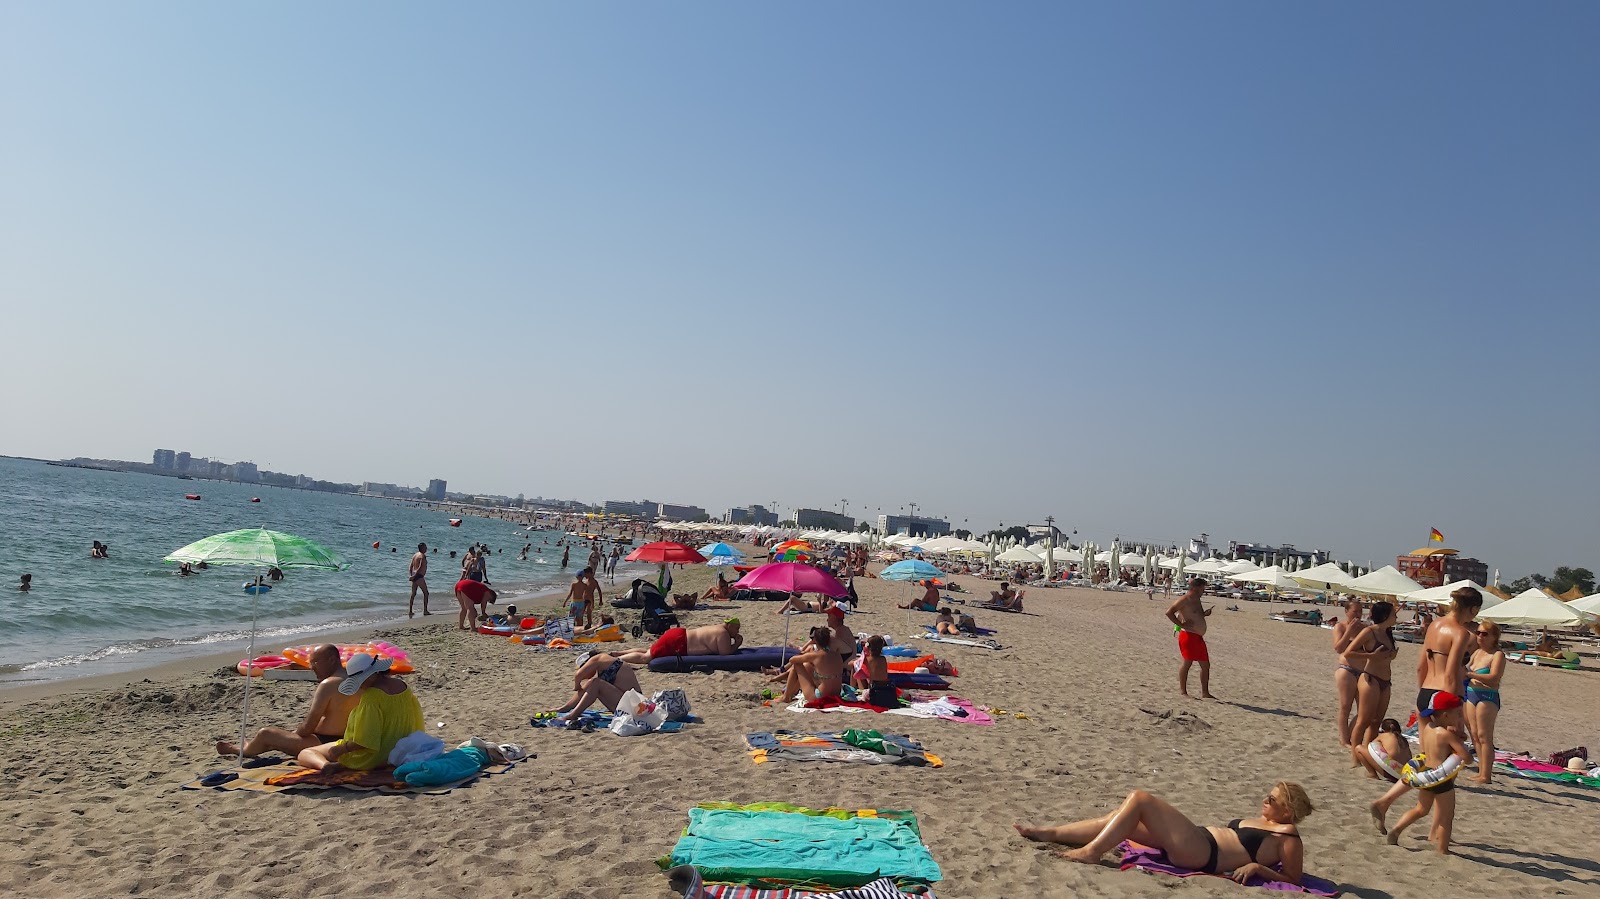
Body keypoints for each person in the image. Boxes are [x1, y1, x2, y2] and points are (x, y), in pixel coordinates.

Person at [1014, 781, 1315, 885]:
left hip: (1203, 854)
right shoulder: (1268, 823)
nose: (1265, 800)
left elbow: (1294, 879)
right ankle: (1050, 833)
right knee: (1120, 817)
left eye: (1272, 799)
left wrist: (1257, 866)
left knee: (1140, 799)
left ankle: (1092, 852)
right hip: (1199, 840)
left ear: (1287, 811)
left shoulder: (1286, 836)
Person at [215, 645, 356, 758]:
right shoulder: (357, 678)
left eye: (315, 662)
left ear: (332, 660)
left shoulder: (328, 684)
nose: (311, 667)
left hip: (326, 742)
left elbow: (308, 728)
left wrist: (295, 733)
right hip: (352, 740)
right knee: (279, 739)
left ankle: (243, 751)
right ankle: (253, 745)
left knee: (265, 734)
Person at [296, 653, 425, 772]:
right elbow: (416, 718)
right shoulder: (404, 687)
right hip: (400, 750)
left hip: (375, 757)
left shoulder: (372, 697)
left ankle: (325, 765)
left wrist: (342, 748)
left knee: (306, 753)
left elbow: (366, 740)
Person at [1377, 692, 1470, 854]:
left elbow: (1434, 748)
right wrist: (1461, 746)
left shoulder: (1428, 728)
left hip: (1426, 773)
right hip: (1442, 779)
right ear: (1447, 715)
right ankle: (1443, 849)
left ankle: (1397, 829)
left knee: (1421, 809)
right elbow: (1466, 757)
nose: (1459, 718)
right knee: (1446, 817)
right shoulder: (1446, 735)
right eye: (1458, 714)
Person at [1416, 586, 1483, 716]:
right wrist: (1451, 705)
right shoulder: (1460, 633)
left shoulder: (1434, 626)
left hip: (1425, 691)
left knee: (1426, 737)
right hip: (1445, 693)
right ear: (1474, 609)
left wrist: (1423, 696)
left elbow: (1420, 667)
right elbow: (1450, 674)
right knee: (1449, 736)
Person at [1346, 601, 1398, 758]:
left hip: (1385, 680)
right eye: (1393, 614)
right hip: (1370, 678)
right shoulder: (1369, 632)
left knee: (1376, 722)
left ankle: (1368, 756)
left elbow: (1384, 656)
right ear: (1385, 616)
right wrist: (1371, 656)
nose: (1396, 616)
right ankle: (1355, 756)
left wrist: (1391, 655)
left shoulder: (1387, 632)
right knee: (1364, 720)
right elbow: (1348, 652)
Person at [546, 651, 643, 725]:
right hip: (630, 705)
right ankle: (565, 708)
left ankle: (572, 716)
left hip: (636, 707)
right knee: (592, 683)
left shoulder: (599, 658)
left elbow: (578, 675)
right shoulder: (606, 664)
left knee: (595, 683)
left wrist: (577, 686)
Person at [1464, 621, 1506, 784]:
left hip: (1487, 696)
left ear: (1494, 637)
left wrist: (1470, 675)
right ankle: (1481, 770)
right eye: (1478, 633)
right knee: (1474, 734)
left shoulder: (1497, 655)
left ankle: (1486, 774)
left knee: (1484, 736)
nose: (1480, 636)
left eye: (1484, 634)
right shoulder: (1477, 652)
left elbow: (1494, 678)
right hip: (1471, 693)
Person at [1166, 578, 1215, 699]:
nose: (1203, 591)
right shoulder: (1184, 600)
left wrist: (1205, 614)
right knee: (1187, 663)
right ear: (1195, 588)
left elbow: (1195, 613)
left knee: (1205, 665)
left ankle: (1205, 692)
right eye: (1202, 588)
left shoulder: (1197, 599)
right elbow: (1169, 612)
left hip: (1198, 636)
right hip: (1188, 635)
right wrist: (1181, 625)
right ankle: (1183, 691)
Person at [617, 619, 743, 664]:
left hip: (680, 635)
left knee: (650, 650)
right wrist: (736, 644)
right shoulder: (723, 633)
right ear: (729, 626)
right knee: (646, 657)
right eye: (736, 628)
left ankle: (618, 653)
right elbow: (725, 653)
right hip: (680, 642)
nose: (737, 632)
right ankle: (617, 660)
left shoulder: (718, 628)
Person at [772, 627, 845, 703]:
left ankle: (786, 697)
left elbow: (792, 660)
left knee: (797, 665)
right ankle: (791, 693)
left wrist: (805, 655)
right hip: (836, 694)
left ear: (815, 641)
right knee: (808, 666)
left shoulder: (815, 655)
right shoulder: (837, 654)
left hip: (819, 697)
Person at [1331, 597, 1366, 747]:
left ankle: (1353, 735)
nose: (1357, 614)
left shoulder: (1365, 628)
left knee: (1364, 710)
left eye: (1360, 611)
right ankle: (1344, 739)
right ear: (1346, 612)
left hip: (1363, 671)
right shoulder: (1340, 627)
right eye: (1354, 611)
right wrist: (1349, 631)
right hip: (1347, 670)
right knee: (1346, 706)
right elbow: (1339, 648)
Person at [1356, 718, 1410, 782]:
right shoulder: (1403, 739)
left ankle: (1372, 774)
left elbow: (1371, 748)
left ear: (1384, 730)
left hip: (1389, 772)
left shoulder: (1384, 735)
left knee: (1359, 748)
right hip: (1403, 773)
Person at [857, 635, 899, 708]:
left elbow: (853, 664)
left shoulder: (867, 659)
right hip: (885, 689)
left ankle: (856, 690)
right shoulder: (883, 659)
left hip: (873, 691)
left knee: (857, 671)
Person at [408, 542, 430, 618]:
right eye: (425, 547)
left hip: (414, 575)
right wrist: (415, 576)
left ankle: (410, 611)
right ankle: (425, 610)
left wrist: (411, 575)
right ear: (422, 548)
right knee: (426, 593)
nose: (426, 548)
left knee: (413, 594)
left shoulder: (415, 555)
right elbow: (420, 567)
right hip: (419, 576)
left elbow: (410, 566)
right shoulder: (422, 556)